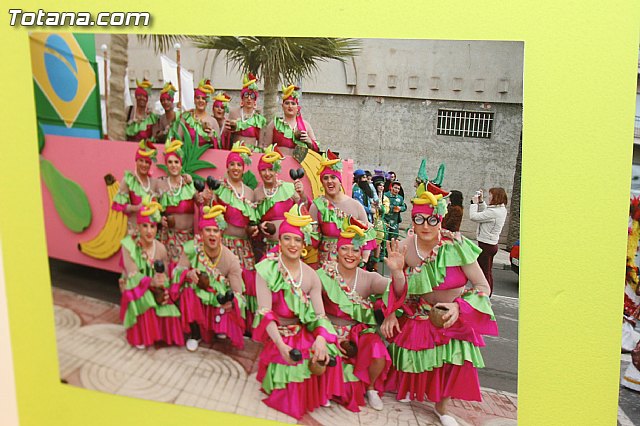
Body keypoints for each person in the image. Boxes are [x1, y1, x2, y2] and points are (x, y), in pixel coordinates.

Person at [382, 184, 498, 426]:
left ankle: (442, 407)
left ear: (441, 219)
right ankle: (411, 390)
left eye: (432, 219)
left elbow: (482, 287)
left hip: (452, 315)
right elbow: (401, 292)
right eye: (419, 219)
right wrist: (397, 273)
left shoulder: (456, 246)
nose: (426, 225)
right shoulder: (405, 247)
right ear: (412, 219)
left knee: (458, 353)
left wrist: (458, 308)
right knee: (410, 347)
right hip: (420, 313)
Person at [252, 205, 343, 419]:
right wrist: (281, 346)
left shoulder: (311, 276)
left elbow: (320, 316)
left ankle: (320, 389)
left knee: (329, 352)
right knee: (293, 370)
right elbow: (265, 312)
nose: (292, 244)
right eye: (287, 239)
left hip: (302, 330)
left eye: (297, 240)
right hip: (278, 334)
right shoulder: (266, 270)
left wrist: (321, 339)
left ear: (303, 244)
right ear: (280, 240)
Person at [316, 222, 407, 411]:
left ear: (361, 254)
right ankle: (324, 390)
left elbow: (396, 290)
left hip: (357, 333)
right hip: (329, 329)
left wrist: (397, 272)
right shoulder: (324, 274)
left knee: (377, 348)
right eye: (345, 249)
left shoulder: (369, 278)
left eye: (355, 250)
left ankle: (371, 388)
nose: (350, 254)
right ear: (337, 250)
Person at [171, 205, 246, 351]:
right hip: (198, 295)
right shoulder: (192, 249)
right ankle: (195, 334)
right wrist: (188, 274)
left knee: (230, 301)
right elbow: (176, 273)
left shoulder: (231, 259)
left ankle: (218, 327)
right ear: (201, 232)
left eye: (216, 231)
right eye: (208, 230)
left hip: (217, 298)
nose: (212, 234)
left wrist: (232, 303)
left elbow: (239, 294)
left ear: (221, 234)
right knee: (187, 290)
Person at [206, 142, 258, 331]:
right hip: (225, 243)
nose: (235, 168)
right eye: (232, 164)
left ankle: (243, 325)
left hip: (245, 246)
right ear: (227, 166)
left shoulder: (250, 193)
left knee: (246, 283)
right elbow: (211, 217)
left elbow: (251, 224)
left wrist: (253, 230)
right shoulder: (219, 188)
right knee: (224, 282)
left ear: (244, 169)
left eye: (239, 165)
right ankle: (224, 326)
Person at [119, 198, 183, 348]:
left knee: (166, 302)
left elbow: (165, 275)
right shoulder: (129, 246)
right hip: (134, 285)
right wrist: (150, 282)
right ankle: (141, 334)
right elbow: (132, 273)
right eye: (145, 226)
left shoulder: (160, 248)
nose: (149, 231)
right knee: (144, 294)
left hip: (154, 283)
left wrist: (162, 283)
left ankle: (159, 333)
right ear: (138, 227)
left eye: (153, 226)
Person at [309, 151, 377, 267]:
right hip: (326, 267)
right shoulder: (317, 206)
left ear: (340, 181)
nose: (329, 181)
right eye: (325, 178)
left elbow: (368, 237)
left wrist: (363, 261)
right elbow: (312, 241)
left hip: (350, 266)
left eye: (333, 177)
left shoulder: (356, 206)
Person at [254, 145, 309, 255]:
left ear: (276, 170)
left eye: (270, 169)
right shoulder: (256, 193)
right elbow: (253, 220)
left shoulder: (289, 188)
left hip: (289, 248)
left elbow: (303, 209)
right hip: (266, 247)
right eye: (263, 170)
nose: (267, 173)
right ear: (259, 172)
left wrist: (302, 194)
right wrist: (260, 226)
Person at [157, 139, 199, 265]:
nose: (173, 165)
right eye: (170, 162)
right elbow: (151, 209)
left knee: (189, 274)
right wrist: (159, 219)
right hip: (170, 238)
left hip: (189, 239)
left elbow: (202, 203)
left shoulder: (189, 184)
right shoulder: (161, 185)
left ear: (181, 165)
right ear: (166, 165)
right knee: (173, 273)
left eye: (176, 162)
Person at [112, 140, 160, 235]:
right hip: (134, 230)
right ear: (136, 161)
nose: (144, 164)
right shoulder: (128, 180)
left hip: (150, 233)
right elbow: (122, 206)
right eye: (141, 160)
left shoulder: (154, 182)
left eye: (147, 162)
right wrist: (137, 208)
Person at [468, 187, 508, 296]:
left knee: (484, 272)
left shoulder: (494, 212)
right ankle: (486, 293)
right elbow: (487, 212)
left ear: (496, 197)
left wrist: (474, 203)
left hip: (486, 245)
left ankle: (485, 295)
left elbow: (474, 216)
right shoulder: (500, 209)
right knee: (487, 271)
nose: (489, 197)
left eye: (491, 195)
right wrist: (481, 202)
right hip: (491, 244)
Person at [261, 84, 319, 156]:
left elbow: (317, 149)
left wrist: (309, 141)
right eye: (287, 103)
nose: (290, 106)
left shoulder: (306, 126)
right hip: (279, 164)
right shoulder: (274, 124)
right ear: (282, 106)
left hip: (298, 166)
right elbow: (266, 148)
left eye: (293, 103)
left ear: (297, 107)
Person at [226, 73, 267, 150]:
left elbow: (261, 143)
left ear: (255, 100)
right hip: (236, 152)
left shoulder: (259, 119)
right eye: (246, 95)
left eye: (252, 96)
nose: (249, 98)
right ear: (242, 98)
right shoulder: (234, 113)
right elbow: (227, 136)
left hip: (252, 153)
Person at [178, 79, 221, 148]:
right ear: (194, 100)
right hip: (189, 156)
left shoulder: (213, 121)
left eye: (203, 98)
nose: (201, 100)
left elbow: (219, 146)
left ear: (207, 102)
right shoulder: (186, 117)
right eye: (198, 98)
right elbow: (178, 139)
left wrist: (212, 138)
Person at [371, 175, 390, 263]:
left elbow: (386, 210)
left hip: (378, 220)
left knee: (379, 238)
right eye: (379, 185)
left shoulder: (385, 198)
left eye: (383, 186)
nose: (381, 187)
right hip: (371, 220)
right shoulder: (371, 196)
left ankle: (375, 260)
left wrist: (380, 207)